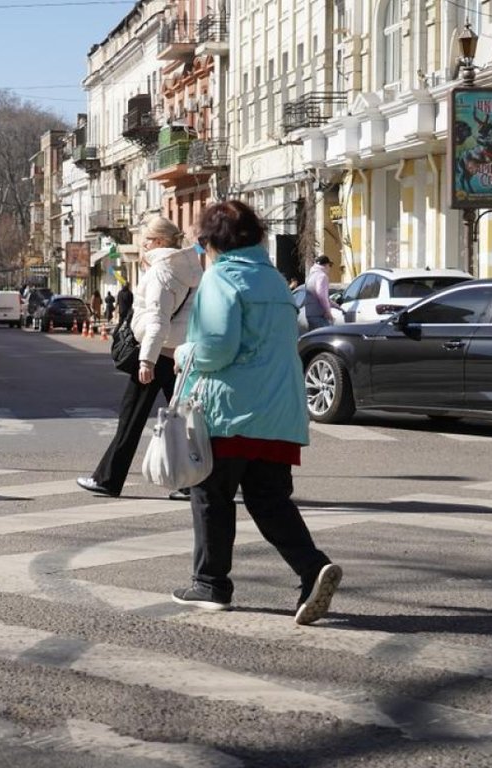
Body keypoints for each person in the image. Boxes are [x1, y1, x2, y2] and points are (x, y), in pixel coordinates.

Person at [170, 200, 342, 626]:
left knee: (211, 496)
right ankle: (311, 568)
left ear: (210, 242)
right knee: (270, 501)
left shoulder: (221, 279)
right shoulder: (273, 279)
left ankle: (210, 583)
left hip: (229, 409)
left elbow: (214, 348)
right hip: (278, 413)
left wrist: (184, 353)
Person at [77, 216, 202, 501]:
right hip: (178, 356)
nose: (142, 244)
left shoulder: (162, 270)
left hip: (157, 354)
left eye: (145, 239)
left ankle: (107, 479)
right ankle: (192, 483)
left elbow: (158, 319)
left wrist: (146, 360)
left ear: (159, 242)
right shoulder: (192, 267)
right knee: (184, 420)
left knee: (130, 419)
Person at [303, 256, 334, 329]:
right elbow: (322, 296)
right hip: (319, 315)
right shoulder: (322, 276)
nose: (329, 268)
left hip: (310, 313)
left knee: (315, 338)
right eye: (330, 265)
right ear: (326, 265)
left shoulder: (311, 276)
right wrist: (328, 311)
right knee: (327, 337)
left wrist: (337, 306)